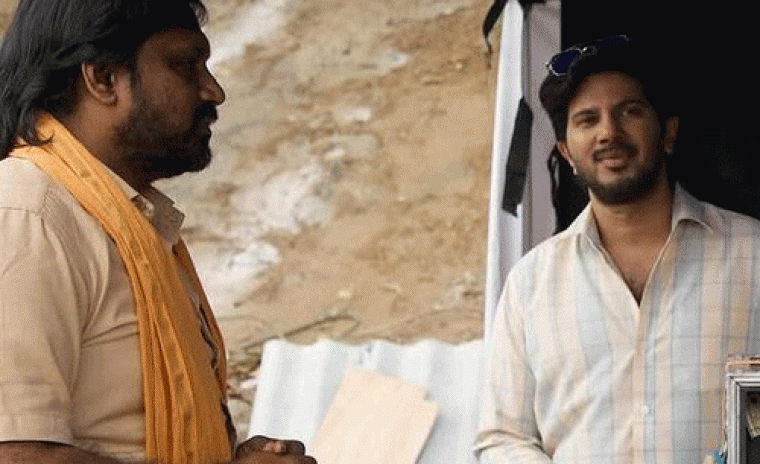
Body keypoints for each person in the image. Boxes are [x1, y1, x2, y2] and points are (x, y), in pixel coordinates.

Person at [0, 1, 316, 463]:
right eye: (187, 65)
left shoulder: (126, 218)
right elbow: (17, 455)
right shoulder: (30, 211)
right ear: (103, 78)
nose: (214, 91)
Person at [474, 34, 760, 463]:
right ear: (566, 153)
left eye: (629, 111)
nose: (608, 132)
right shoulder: (530, 285)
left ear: (668, 132)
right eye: (587, 119)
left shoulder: (752, 255)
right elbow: (501, 436)